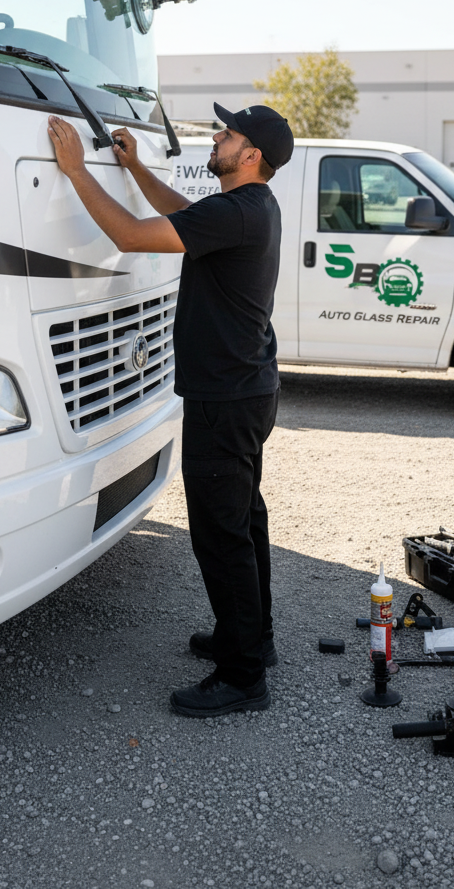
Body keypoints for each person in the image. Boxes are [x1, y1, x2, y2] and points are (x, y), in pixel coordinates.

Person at [47, 102, 294, 718]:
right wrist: (135, 169)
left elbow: (132, 236)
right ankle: (252, 639)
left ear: (250, 155)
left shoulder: (237, 211)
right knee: (245, 520)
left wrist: (76, 170)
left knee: (221, 535)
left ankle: (242, 677)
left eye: (228, 134)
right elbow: (183, 214)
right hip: (248, 390)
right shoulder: (250, 207)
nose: (216, 137)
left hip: (224, 399)